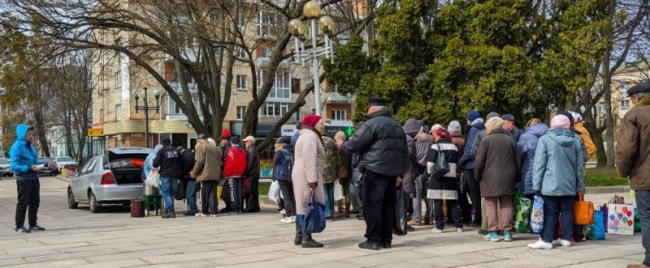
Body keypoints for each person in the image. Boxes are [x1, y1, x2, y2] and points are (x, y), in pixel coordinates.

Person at [338, 97, 409, 250]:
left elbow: (355, 144)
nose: (367, 111)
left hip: (375, 169)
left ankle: (373, 239)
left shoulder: (371, 124)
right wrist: (400, 173)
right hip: (393, 172)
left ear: (374, 109)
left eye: (368, 108)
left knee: (372, 205)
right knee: (388, 205)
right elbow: (405, 153)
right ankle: (386, 239)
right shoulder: (397, 126)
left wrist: (342, 145)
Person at [528, 114, 585, 249]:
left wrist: (536, 184)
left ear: (552, 125)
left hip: (550, 183)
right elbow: (579, 166)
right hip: (569, 183)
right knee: (567, 211)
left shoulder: (545, 139)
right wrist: (580, 185)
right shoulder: (576, 141)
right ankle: (565, 238)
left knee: (550, 212)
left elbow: (539, 165)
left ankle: (547, 239)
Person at [614, 82, 650, 268]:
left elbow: (626, 148)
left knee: (648, 217)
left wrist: (623, 170)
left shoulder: (634, 115)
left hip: (645, 177)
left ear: (637, 98)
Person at [474, 117, 521, 242]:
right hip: (508, 176)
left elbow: (479, 161)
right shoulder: (510, 140)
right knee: (506, 204)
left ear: (490, 127)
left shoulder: (486, 140)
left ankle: (493, 232)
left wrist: (477, 176)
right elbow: (518, 161)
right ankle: (507, 232)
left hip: (489, 177)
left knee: (490, 204)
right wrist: (517, 178)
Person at [10, 124, 55, 233]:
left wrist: (46, 165)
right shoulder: (16, 147)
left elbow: (35, 162)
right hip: (23, 179)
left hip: (34, 178)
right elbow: (13, 165)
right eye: (29, 134)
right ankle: (19, 225)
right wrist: (28, 168)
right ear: (22, 135)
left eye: (32, 134)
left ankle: (33, 224)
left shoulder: (31, 147)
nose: (31, 136)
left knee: (35, 202)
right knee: (23, 202)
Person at [293, 114, 326, 248]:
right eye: (321, 123)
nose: (323, 126)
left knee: (302, 205)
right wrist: (313, 181)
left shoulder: (304, 136)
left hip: (302, 173)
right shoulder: (310, 137)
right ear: (313, 124)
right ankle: (307, 237)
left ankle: (299, 236)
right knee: (307, 205)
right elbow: (310, 159)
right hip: (306, 175)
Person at [426, 128, 463, 233]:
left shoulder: (435, 146)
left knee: (438, 202)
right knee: (452, 202)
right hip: (451, 176)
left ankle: (439, 226)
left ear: (439, 136)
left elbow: (430, 164)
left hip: (438, 177)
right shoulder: (454, 147)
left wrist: (430, 173)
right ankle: (459, 225)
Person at [458, 110, 485, 228]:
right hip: (482, 164)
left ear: (470, 120)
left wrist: (461, 162)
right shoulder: (483, 127)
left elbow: (469, 149)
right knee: (482, 192)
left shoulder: (473, 129)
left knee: (474, 193)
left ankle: (478, 218)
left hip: (471, 165)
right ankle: (483, 216)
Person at [191, 134, 222, 217]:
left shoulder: (202, 147)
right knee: (213, 193)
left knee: (205, 193)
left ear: (199, 140)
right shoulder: (214, 148)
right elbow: (220, 161)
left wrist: (194, 172)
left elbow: (199, 161)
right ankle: (213, 211)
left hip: (206, 173)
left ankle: (204, 211)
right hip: (215, 174)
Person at [517, 118, 549, 199]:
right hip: (546, 176)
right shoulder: (549, 135)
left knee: (527, 204)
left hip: (528, 174)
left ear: (528, 126)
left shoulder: (524, 137)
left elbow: (519, 155)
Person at [315, 119, 338, 221]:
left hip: (322, 170)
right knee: (330, 191)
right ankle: (332, 212)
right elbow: (337, 158)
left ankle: (327, 213)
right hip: (331, 171)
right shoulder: (332, 141)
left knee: (324, 192)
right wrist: (337, 172)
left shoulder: (317, 140)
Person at [153, 137, 182, 219]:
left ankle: (170, 211)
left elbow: (156, 163)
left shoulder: (162, 151)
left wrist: (155, 165)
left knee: (166, 193)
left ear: (163, 143)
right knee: (172, 193)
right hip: (175, 175)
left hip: (165, 174)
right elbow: (181, 161)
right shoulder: (176, 150)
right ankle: (167, 211)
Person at [448, 120, 471, 224]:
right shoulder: (464, 140)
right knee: (463, 195)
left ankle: (452, 217)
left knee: (452, 196)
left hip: (452, 170)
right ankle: (467, 216)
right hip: (462, 170)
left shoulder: (450, 142)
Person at [413, 121, 433, 225]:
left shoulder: (416, 139)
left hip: (417, 168)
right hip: (428, 168)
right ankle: (429, 218)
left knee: (416, 193)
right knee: (428, 194)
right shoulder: (431, 138)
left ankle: (416, 218)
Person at [273, 136, 295, 224]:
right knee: (292, 196)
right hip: (292, 176)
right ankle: (295, 214)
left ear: (283, 144)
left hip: (282, 176)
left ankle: (289, 215)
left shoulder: (281, 152)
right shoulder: (294, 151)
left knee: (286, 197)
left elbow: (275, 162)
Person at [223, 136, 247, 215]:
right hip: (239, 174)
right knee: (239, 192)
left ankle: (234, 209)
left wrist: (226, 173)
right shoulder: (242, 151)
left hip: (231, 175)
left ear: (231, 142)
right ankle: (239, 208)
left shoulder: (231, 151)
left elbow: (229, 164)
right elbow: (245, 163)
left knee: (232, 192)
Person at [334, 131, 352, 219]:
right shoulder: (348, 148)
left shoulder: (339, 149)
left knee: (339, 192)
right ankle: (347, 210)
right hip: (347, 172)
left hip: (340, 173)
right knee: (347, 192)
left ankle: (340, 210)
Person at [243, 135, 261, 213]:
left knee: (250, 191)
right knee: (254, 191)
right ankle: (255, 206)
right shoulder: (255, 149)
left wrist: (245, 172)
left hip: (251, 174)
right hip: (255, 173)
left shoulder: (250, 150)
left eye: (246, 141)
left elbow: (249, 163)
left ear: (250, 142)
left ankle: (250, 207)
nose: (245, 143)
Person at [178, 146, 197, 216]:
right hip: (194, 177)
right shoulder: (191, 154)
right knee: (192, 194)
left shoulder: (186, 156)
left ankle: (193, 210)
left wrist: (180, 175)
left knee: (189, 194)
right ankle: (192, 209)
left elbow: (184, 169)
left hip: (191, 178)